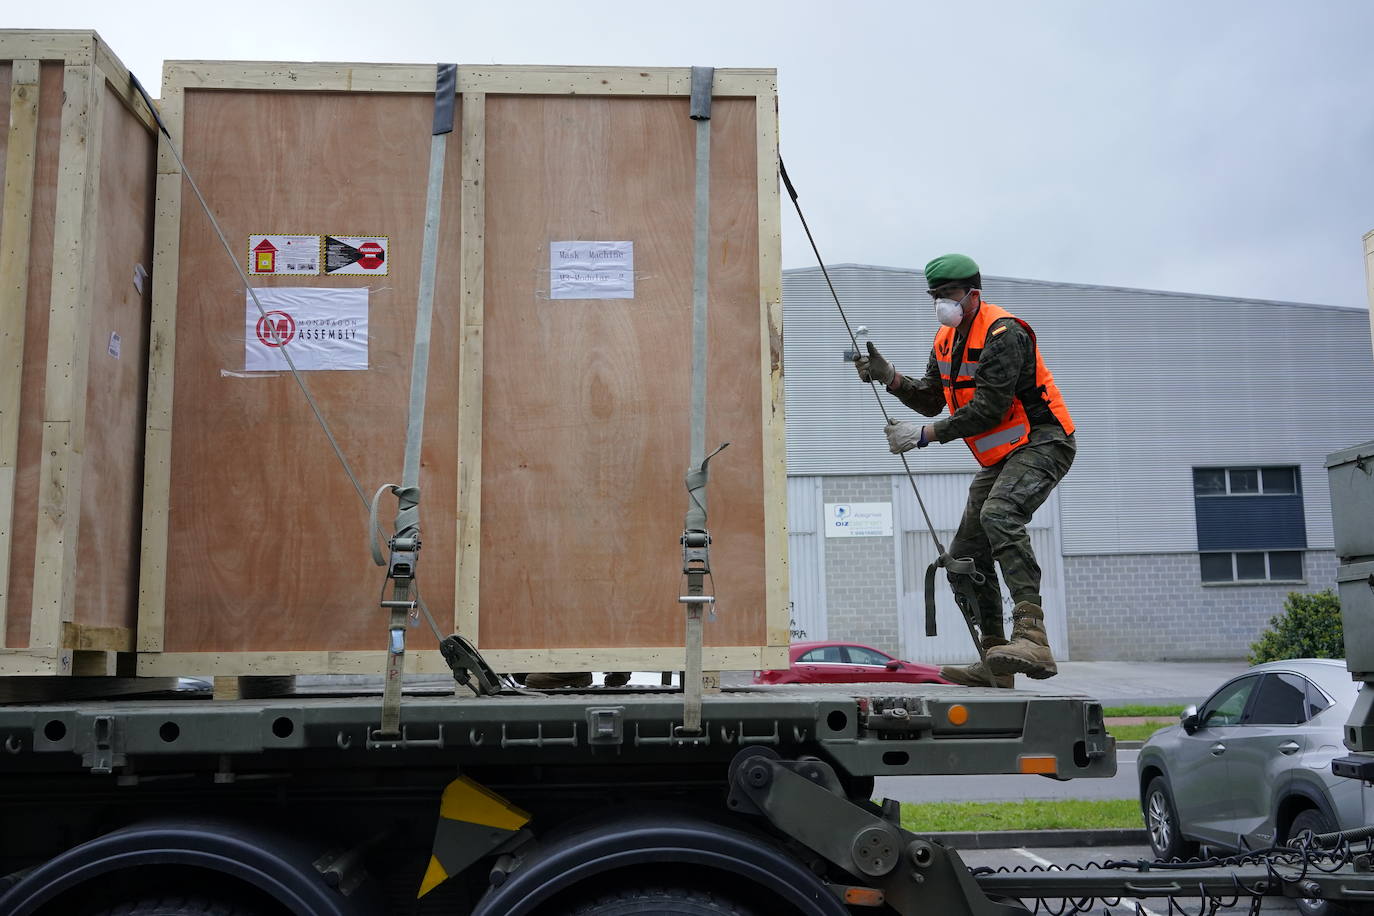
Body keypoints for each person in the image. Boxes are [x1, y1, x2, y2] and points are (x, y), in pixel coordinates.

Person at [855, 254, 1075, 687]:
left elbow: (989, 410)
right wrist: (890, 377)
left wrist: (923, 436)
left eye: (948, 295)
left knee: (999, 515)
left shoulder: (1004, 332)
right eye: (935, 296)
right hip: (1002, 457)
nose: (941, 303)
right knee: (964, 558)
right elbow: (931, 399)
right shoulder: (945, 340)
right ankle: (995, 658)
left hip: (1044, 441)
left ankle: (1032, 635)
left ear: (973, 293)